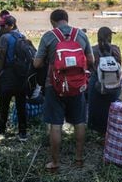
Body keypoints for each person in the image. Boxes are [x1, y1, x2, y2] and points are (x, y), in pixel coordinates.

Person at [33, 9, 94, 172]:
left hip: (54, 85)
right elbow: (91, 60)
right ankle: (79, 159)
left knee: (55, 124)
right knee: (80, 121)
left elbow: (37, 64)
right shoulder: (81, 35)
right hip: (77, 85)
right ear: (67, 19)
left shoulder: (48, 36)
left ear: (52, 22)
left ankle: (55, 162)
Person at [0, 15, 28, 140]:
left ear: (10, 25)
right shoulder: (22, 36)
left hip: (8, 74)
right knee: (21, 104)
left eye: (4, 26)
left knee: (4, 103)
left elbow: (1, 57)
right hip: (21, 75)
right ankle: (22, 133)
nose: (1, 28)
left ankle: (2, 131)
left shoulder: (5, 37)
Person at [88, 26, 122, 134]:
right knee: (111, 109)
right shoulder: (116, 49)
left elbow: (89, 67)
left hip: (97, 84)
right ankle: (110, 131)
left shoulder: (93, 50)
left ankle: (94, 130)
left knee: (96, 109)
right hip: (114, 84)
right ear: (110, 37)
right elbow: (119, 64)